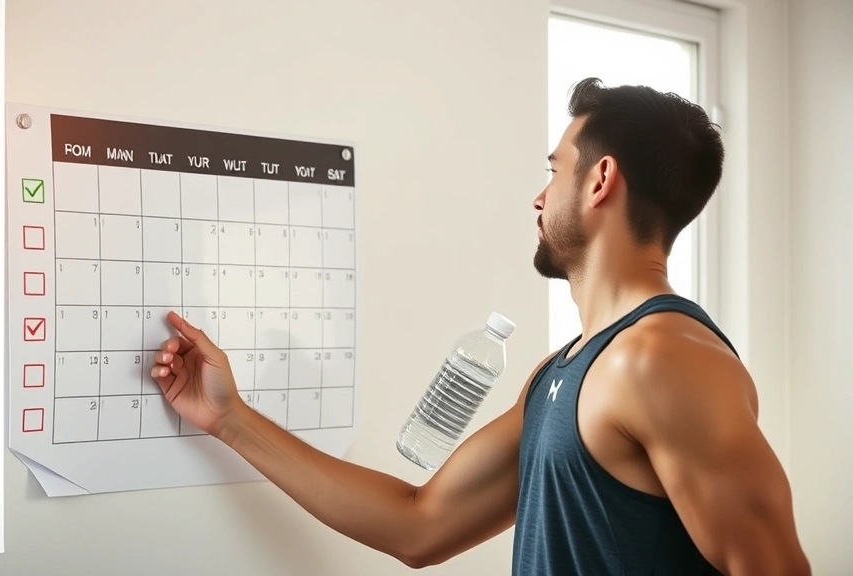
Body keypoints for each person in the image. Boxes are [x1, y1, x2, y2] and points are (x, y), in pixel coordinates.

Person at [149, 78, 811, 575]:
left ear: (600, 180)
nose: (539, 197)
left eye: (554, 170)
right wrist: (230, 420)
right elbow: (420, 526)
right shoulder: (566, 370)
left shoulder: (665, 361)